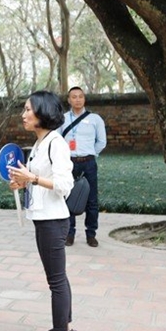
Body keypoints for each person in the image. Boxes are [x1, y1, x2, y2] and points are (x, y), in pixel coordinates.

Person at [7, 91, 76, 331]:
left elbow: (63, 184)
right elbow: (37, 177)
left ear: (42, 112)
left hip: (53, 221)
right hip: (43, 218)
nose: (23, 115)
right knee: (58, 278)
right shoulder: (40, 143)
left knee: (56, 281)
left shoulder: (55, 143)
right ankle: (65, 329)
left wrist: (32, 178)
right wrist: (23, 181)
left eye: (28, 110)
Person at [62, 87, 107, 247]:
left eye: (80, 96)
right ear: (69, 100)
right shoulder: (63, 119)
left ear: (84, 99)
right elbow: (58, 141)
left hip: (88, 163)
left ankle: (91, 234)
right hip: (69, 163)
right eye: (74, 97)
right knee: (67, 197)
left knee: (92, 200)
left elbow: (102, 142)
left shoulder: (95, 119)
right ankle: (69, 233)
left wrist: (90, 154)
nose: (77, 99)